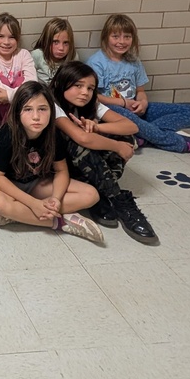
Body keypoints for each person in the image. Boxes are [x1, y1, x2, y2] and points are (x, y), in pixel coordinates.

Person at [50, 62, 157, 244]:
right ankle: (118, 199)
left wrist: (97, 127)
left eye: (90, 88)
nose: (85, 92)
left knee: (126, 138)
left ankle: (101, 193)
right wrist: (116, 146)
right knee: (80, 143)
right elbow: (82, 139)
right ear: (63, 83)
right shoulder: (52, 103)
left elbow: (131, 126)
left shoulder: (91, 103)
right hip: (56, 168)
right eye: (78, 85)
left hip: (83, 167)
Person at [0, 81, 104, 243]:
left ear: (51, 111)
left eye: (42, 109)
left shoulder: (53, 134)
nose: (36, 116)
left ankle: (20, 215)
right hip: (9, 185)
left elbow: (61, 171)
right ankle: (59, 221)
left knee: (91, 195)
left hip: (36, 183)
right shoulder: (8, 134)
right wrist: (33, 204)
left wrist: (56, 199)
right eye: (28, 109)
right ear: (17, 112)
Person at [87, 14, 190, 154]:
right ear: (106, 37)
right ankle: (181, 144)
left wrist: (143, 103)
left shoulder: (134, 61)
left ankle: (142, 138)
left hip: (135, 109)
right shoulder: (97, 63)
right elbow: (94, 97)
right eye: (116, 36)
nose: (121, 41)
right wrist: (123, 103)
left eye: (127, 37)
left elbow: (140, 91)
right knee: (130, 119)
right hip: (114, 111)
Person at [0, 12, 37, 136]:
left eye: (12, 37)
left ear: (18, 39)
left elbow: (32, 86)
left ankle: (20, 129)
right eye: (0, 36)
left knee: (22, 82)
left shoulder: (24, 55)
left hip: (21, 115)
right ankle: (4, 131)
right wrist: (17, 94)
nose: (6, 42)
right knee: (4, 82)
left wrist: (9, 96)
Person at [31, 18, 77, 85]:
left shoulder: (73, 56)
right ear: (46, 41)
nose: (61, 48)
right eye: (55, 42)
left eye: (66, 43)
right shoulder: (37, 55)